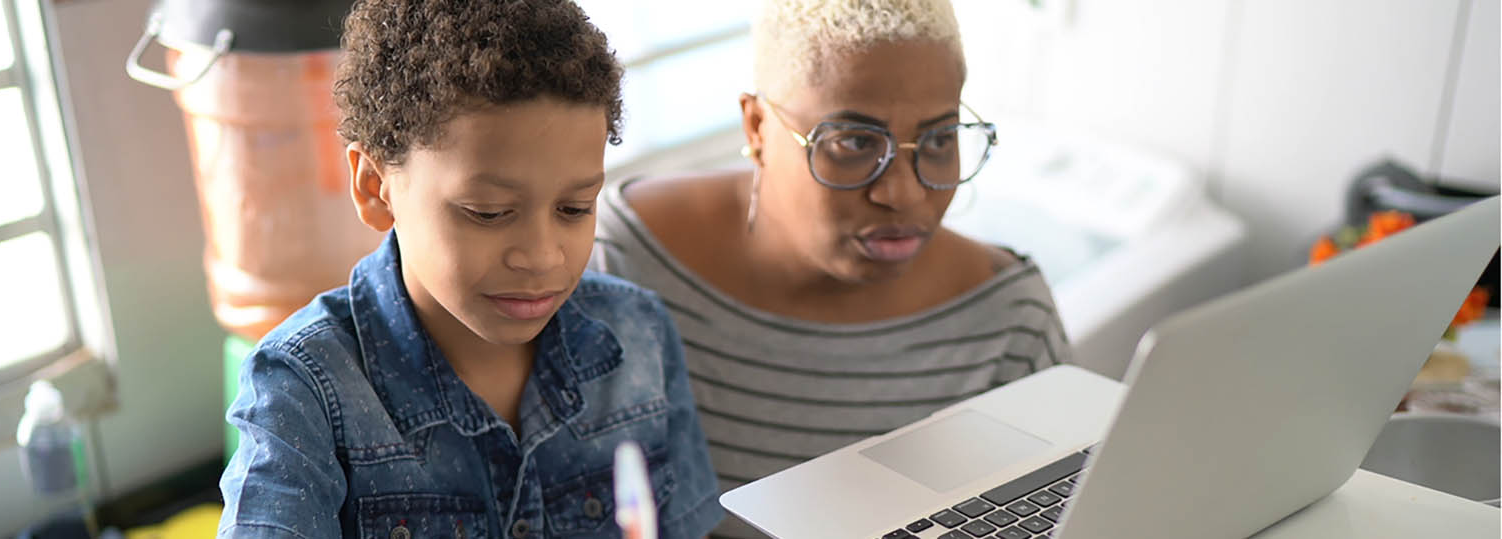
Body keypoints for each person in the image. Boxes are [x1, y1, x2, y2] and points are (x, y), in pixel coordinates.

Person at [218, 1, 724, 537]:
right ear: (375, 187)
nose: (543, 256)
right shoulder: (302, 389)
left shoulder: (641, 335)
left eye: (574, 208)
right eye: (488, 213)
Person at [588, 1, 1071, 536]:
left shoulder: (1009, 320)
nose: (904, 194)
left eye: (939, 140)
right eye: (855, 142)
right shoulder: (624, 261)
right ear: (756, 126)